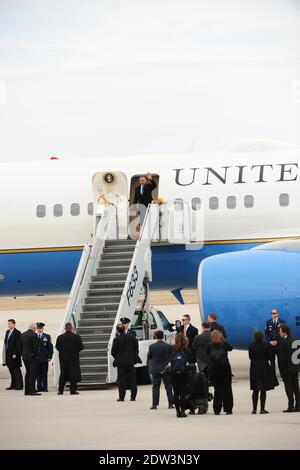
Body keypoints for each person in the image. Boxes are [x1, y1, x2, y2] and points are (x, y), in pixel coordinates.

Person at [248, 330, 279, 414]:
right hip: (264, 367)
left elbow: (250, 356)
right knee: (263, 389)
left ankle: (254, 409)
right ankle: (262, 409)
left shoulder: (251, 345)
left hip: (254, 367)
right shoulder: (266, 345)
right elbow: (269, 357)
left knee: (255, 389)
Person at [208, 330, 233, 415]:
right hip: (225, 369)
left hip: (215, 370)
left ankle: (217, 409)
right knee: (227, 389)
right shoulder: (224, 344)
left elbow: (207, 355)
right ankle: (228, 409)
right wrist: (223, 339)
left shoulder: (210, 346)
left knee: (217, 390)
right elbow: (231, 348)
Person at [147, 330, 174, 410]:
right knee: (168, 386)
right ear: (163, 336)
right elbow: (171, 357)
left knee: (155, 386)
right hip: (166, 368)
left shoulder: (152, 346)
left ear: (155, 336)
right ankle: (170, 403)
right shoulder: (168, 346)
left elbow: (149, 357)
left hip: (155, 368)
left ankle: (154, 404)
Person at [111, 324, 139, 401]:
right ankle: (133, 397)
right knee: (132, 379)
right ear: (124, 329)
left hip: (121, 363)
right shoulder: (131, 337)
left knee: (121, 380)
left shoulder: (116, 339)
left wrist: (118, 358)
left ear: (117, 331)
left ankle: (121, 397)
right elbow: (136, 347)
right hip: (130, 361)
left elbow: (113, 352)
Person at [55, 323, 84, 395]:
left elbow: (57, 347)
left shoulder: (60, 337)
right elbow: (81, 347)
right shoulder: (76, 337)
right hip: (73, 358)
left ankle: (60, 390)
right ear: (72, 328)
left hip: (63, 359)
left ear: (65, 328)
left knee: (63, 373)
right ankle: (73, 391)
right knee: (73, 374)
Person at [279, 324, 300, 412]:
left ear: (284, 332)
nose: (279, 333)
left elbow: (282, 359)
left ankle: (290, 406)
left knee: (289, 387)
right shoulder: (296, 341)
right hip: (295, 368)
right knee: (296, 387)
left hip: (287, 369)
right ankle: (298, 405)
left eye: (280, 331)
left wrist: (281, 370)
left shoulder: (284, 342)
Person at [170, 332, 190, 418]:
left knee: (176, 393)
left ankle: (177, 411)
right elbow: (190, 359)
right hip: (183, 373)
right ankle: (183, 410)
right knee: (183, 393)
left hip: (174, 373)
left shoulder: (172, 348)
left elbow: (170, 360)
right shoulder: (186, 349)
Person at [2, 319, 23, 390]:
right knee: (11, 370)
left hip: (14, 355)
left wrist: (15, 353)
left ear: (14, 324)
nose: (9, 325)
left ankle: (19, 385)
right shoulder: (7, 332)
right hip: (8, 354)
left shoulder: (17, 332)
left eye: (10, 324)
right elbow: (6, 343)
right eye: (8, 324)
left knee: (16, 370)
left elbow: (18, 344)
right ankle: (13, 384)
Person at [20, 323, 40, 396]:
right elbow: (35, 347)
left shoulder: (22, 334)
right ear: (34, 328)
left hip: (25, 357)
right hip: (32, 357)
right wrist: (36, 355)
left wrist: (22, 354)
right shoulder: (34, 335)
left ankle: (27, 391)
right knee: (33, 374)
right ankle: (32, 391)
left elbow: (20, 346)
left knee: (28, 373)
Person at [264, 308, 285, 377]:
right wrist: (269, 341)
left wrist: (277, 341)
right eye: (272, 313)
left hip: (279, 345)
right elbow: (266, 333)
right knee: (272, 362)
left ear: (277, 314)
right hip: (271, 346)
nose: (273, 315)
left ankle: (282, 375)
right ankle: (273, 377)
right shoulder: (268, 322)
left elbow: (283, 333)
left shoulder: (282, 322)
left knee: (280, 361)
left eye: (274, 313)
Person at [36, 322, 53, 392]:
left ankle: (45, 387)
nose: (39, 330)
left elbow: (50, 347)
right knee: (38, 374)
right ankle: (39, 387)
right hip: (37, 358)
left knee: (44, 374)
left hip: (44, 358)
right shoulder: (34, 336)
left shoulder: (47, 336)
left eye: (40, 328)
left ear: (43, 329)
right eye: (38, 328)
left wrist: (49, 357)